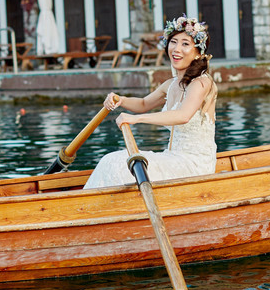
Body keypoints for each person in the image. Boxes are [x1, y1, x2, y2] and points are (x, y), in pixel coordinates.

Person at [84, 16, 217, 189]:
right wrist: (120, 99)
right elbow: (143, 103)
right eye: (173, 42)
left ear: (198, 52)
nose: (176, 49)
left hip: (194, 165)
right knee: (110, 159)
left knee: (117, 162)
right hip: (172, 158)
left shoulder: (202, 83)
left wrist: (136, 119)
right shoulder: (170, 85)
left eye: (185, 44)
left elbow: (183, 116)